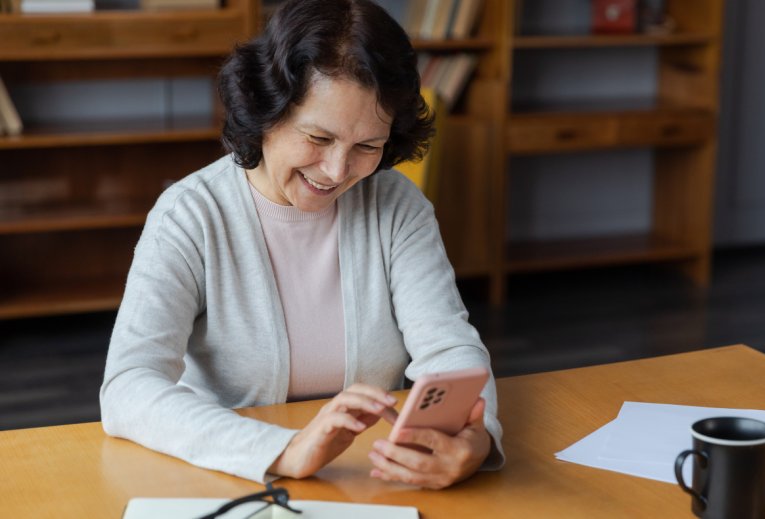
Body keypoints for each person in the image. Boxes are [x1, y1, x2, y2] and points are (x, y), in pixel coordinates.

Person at [100, 0, 504, 489]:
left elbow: (449, 351)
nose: (336, 172)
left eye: (367, 147)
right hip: (231, 471)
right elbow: (127, 387)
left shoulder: (398, 206)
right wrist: (283, 450)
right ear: (264, 111)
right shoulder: (188, 216)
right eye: (317, 137)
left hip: (369, 473)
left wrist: (475, 438)